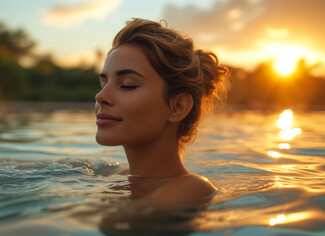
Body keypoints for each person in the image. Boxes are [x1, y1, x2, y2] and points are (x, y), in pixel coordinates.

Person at [95, 18, 228, 204]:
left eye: (127, 85)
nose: (101, 96)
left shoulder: (191, 188)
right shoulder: (117, 173)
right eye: (103, 83)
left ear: (177, 107)